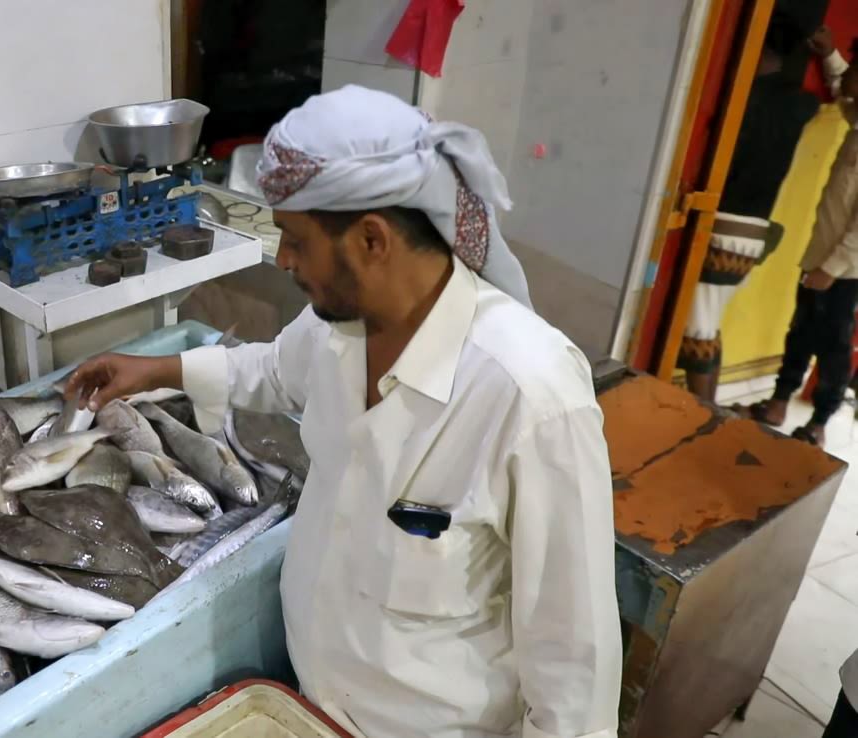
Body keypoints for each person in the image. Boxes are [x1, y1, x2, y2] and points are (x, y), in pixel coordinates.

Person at [67, 85, 621, 738]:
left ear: (372, 240)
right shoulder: (340, 328)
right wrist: (159, 370)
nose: (283, 260)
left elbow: (573, 665)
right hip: (308, 707)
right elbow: (273, 372)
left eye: (294, 239)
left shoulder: (530, 397)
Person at [678, 14, 820, 402]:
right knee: (709, 323)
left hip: (723, 223)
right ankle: (712, 415)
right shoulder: (803, 104)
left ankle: (705, 417)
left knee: (697, 330)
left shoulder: (744, 99)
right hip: (755, 232)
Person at [739, 31, 858, 446]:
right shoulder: (857, 119)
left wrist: (832, 269)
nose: (848, 84)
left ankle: (819, 423)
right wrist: (830, 56)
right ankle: (778, 401)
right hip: (818, 258)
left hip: (843, 270)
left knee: (834, 347)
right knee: (800, 332)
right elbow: (845, 92)